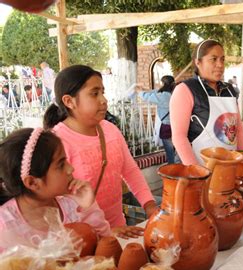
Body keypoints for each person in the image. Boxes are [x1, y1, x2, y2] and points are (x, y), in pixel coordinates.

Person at [43, 65, 158, 237]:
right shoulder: (56, 142)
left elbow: (131, 170)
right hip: (81, 239)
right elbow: (54, 201)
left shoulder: (110, 130)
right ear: (69, 101)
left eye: (103, 92)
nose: (103, 100)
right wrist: (104, 231)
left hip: (121, 230)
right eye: (94, 93)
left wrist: (150, 207)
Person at [0, 128, 111, 251]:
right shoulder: (5, 224)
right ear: (32, 182)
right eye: (61, 164)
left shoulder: (73, 206)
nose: (71, 169)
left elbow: (105, 245)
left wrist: (88, 207)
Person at [169, 39, 243, 165]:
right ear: (198, 62)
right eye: (213, 59)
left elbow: (238, 130)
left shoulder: (229, 90)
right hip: (195, 169)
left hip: (228, 167)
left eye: (222, 59)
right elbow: (179, 137)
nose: (220, 64)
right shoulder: (185, 90)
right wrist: (197, 173)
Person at [138, 75, 177, 164]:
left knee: (170, 151)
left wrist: (140, 92)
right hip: (176, 125)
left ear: (164, 84)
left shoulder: (164, 96)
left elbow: (147, 97)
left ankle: (172, 169)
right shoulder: (175, 93)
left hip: (167, 126)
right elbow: (156, 92)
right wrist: (144, 89)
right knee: (176, 149)